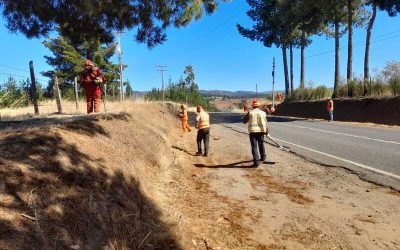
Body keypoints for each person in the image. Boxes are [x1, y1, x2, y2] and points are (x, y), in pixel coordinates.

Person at [243, 99, 269, 167]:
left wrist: (245, 115)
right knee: (261, 144)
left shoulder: (250, 112)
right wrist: (267, 131)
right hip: (261, 131)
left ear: (253, 106)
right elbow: (266, 123)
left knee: (254, 147)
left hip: (253, 132)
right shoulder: (263, 113)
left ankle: (256, 162)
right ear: (259, 106)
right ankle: (263, 157)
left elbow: (244, 121)